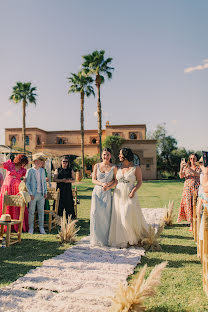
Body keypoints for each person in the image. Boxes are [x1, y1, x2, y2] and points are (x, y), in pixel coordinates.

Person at [108, 148, 149, 248]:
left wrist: (133, 191)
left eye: (120, 154)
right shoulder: (118, 168)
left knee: (126, 215)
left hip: (129, 195)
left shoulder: (136, 168)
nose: (119, 156)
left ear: (125, 156)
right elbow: (116, 182)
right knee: (120, 217)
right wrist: (107, 187)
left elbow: (139, 182)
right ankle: (123, 240)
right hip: (118, 196)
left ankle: (133, 238)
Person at [90, 148, 116, 246]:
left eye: (108, 155)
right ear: (101, 155)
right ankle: (96, 239)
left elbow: (115, 181)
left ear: (110, 156)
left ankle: (105, 239)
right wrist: (102, 184)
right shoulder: (96, 166)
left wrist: (108, 186)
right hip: (97, 193)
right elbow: (93, 180)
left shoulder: (114, 167)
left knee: (105, 216)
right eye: (104, 154)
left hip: (107, 193)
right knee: (95, 213)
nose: (106, 156)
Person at [0, 154, 28, 232]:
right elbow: (1, 165)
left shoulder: (23, 170)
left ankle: (16, 226)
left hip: (16, 190)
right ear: (19, 160)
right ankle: (4, 224)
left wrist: (24, 180)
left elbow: (26, 177)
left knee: (16, 206)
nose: (23, 164)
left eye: (25, 163)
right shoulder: (9, 164)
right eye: (23, 162)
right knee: (6, 205)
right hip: (7, 189)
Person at [177, 154, 200, 231]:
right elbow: (181, 176)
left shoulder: (199, 167)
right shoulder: (186, 167)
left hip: (196, 188)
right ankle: (191, 223)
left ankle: (196, 223)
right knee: (188, 205)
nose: (192, 160)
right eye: (191, 158)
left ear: (196, 159)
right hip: (187, 189)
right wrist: (181, 167)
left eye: (194, 158)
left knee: (195, 205)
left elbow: (198, 174)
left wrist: (189, 167)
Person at [26, 154, 47, 234]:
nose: (41, 163)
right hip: (33, 194)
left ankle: (41, 227)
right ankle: (31, 228)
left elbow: (44, 182)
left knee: (41, 211)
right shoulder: (30, 171)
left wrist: (45, 192)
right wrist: (30, 193)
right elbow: (27, 183)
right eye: (40, 161)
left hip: (41, 194)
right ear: (35, 161)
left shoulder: (42, 171)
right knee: (31, 211)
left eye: (42, 162)